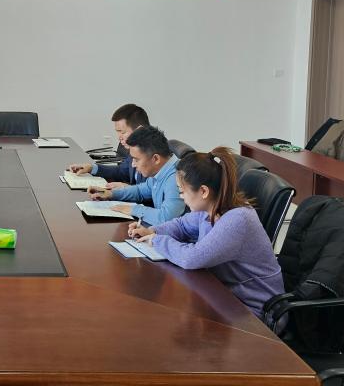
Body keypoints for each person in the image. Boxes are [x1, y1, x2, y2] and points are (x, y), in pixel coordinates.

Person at [128, 147, 284, 319]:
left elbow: (192, 258)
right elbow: (181, 225)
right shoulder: (210, 207)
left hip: (255, 312)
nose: (181, 197)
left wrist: (157, 240)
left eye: (182, 191)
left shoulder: (238, 219)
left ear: (203, 191)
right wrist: (152, 230)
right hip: (224, 296)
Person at [90, 125, 184, 225]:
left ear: (156, 159)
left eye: (136, 160)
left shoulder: (176, 177)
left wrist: (133, 209)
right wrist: (112, 194)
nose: (133, 165)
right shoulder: (161, 170)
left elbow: (166, 218)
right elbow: (140, 191)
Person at [66, 103, 149, 190]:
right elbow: (122, 171)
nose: (119, 137)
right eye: (117, 132)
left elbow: (153, 194)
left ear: (139, 130)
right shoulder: (135, 149)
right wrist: (91, 168)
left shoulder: (153, 154)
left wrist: (129, 188)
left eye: (123, 132)